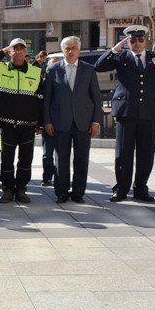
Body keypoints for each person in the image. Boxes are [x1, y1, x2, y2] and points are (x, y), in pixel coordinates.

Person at [95, 25, 155, 203]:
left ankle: (141, 188)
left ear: (146, 40)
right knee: (123, 152)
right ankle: (121, 189)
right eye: (133, 40)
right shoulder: (121, 57)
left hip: (148, 113)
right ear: (127, 41)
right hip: (126, 112)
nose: (137, 43)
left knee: (146, 153)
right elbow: (99, 66)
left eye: (140, 40)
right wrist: (114, 49)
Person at [0, 38, 44, 204]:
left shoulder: (36, 72)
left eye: (22, 49)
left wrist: (41, 123)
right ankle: (7, 189)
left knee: (25, 160)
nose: (19, 51)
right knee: (6, 160)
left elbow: (42, 99)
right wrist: (1, 52)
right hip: (5, 125)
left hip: (28, 125)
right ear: (11, 51)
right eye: (15, 49)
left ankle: (21, 189)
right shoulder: (0, 69)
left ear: (26, 52)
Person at [43, 36, 102, 204]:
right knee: (61, 159)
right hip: (60, 123)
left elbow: (96, 98)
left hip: (83, 122)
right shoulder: (53, 70)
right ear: (62, 51)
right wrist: (47, 121)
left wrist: (96, 121)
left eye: (73, 48)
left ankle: (78, 193)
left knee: (81, 159)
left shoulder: (89, 70)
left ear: (79, 50)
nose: (70, 51)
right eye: (67, 48)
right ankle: (61, 192)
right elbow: (48, 98)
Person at [40, 57, 61, 187]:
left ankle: (59, 176)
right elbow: (40, 104)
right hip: (47, 124)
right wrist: (42, 124)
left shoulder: (63, 82)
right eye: (49, 68)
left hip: (62, 124)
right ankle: (47, 176)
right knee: (47, 154)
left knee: (61, 154)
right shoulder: (43, 83)